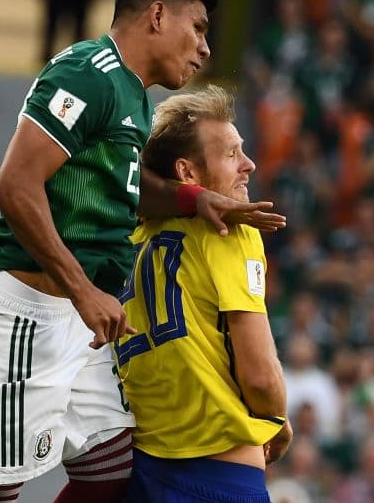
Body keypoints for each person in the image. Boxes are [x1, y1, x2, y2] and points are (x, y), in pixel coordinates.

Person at [0, 0, 286, 503]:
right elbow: (14, 186)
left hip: (75, 322)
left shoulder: (130, 94)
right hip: (23, 314)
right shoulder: (90, 72)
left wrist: (194, 199)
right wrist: (83, 291)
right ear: (157, 15)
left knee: (111, 470)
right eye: (197, 28)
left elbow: (130, 188)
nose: (205, 48)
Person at [119, 84, 293, 501]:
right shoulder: (229, 229)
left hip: (139, 472)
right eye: (231, 153)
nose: (248, 164)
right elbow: (260, 377)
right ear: (187, 173)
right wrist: (277, 418)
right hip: (220, 477)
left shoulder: (130, 240)